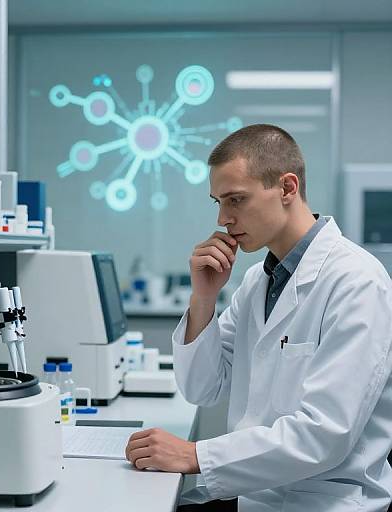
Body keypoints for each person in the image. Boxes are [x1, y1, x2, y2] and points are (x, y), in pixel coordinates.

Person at [125, 124, 392, 511]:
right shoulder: (258, 280)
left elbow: (324, 434)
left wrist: (194, 455)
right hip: (259, 494)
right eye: (217, 201)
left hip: (326, 501)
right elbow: (203, 388)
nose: (223, 219)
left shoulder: (357, 282)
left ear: (287, 188)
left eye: (235, 200)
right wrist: (204, 298)